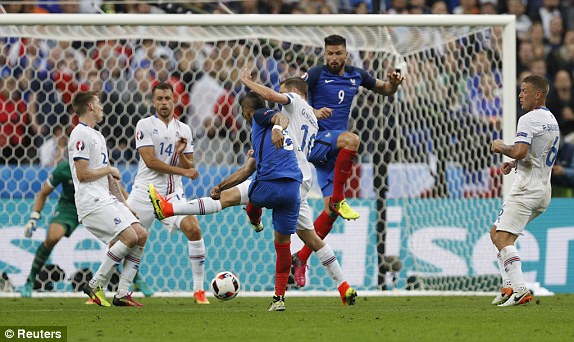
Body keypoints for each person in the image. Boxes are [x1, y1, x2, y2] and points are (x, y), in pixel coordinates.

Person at [150, 72, 358, 310]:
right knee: (308, 238)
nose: (279, 96)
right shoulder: (310, 118)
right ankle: (342, 286)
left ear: (295, 92)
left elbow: (274, 105)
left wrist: (246, 82)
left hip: (280, 173)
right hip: (300, 182)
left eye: (284, 91)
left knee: (241, 200)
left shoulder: (285, 108)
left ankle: (174, 209)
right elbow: (254, 161)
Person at [294, 34, 404, 287]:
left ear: (346, 54)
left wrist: (394, 84)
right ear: (325, 55)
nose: (333, 58)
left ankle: (300, 258)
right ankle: (340, 199)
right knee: (353, 140)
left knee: (329, 213)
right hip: (317, 140)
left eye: (337, 53)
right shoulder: (315, 75)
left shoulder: (357, 75)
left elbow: (385, 90)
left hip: (333, 151)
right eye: (329, 54)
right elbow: (289, 93)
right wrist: (312, 111)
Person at [125, 82, 210, 304]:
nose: (164, 103)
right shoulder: (144, 125)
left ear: (175, 100)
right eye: (160, 99)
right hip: (145, 193)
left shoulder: (184, 130)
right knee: (126, 240)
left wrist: (181, 153)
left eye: (167, 98)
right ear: (153, 101)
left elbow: (189, 163)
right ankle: (110, 287)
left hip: (172, 194)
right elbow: (151, 161)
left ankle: (199, 290)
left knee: (193, 229)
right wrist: (184, 170)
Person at [68, 90, 148, 307]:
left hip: (105, 198)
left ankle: (122, 293)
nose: (101, 107)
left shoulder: (97, 135)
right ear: (90, 107)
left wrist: (125, 206)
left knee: (141, 234)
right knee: (129, 238)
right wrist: (107, 169)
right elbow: (83, 174)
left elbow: (110, 177)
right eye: (98, 103)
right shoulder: (80, 134)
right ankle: (95, 284)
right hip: (90, 201)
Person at [490, 75, 559, 307]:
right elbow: (535, 154)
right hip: (542, 191)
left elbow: (519, 151)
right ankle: (508, 285)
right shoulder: (551, 120)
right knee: (496, 233)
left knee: (501, 237)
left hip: (526, 189)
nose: (520, 95)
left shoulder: (528, 119)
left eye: (524, 91)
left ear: (538, 94)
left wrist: (502, 148)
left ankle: (520, 290)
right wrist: (514, 165)